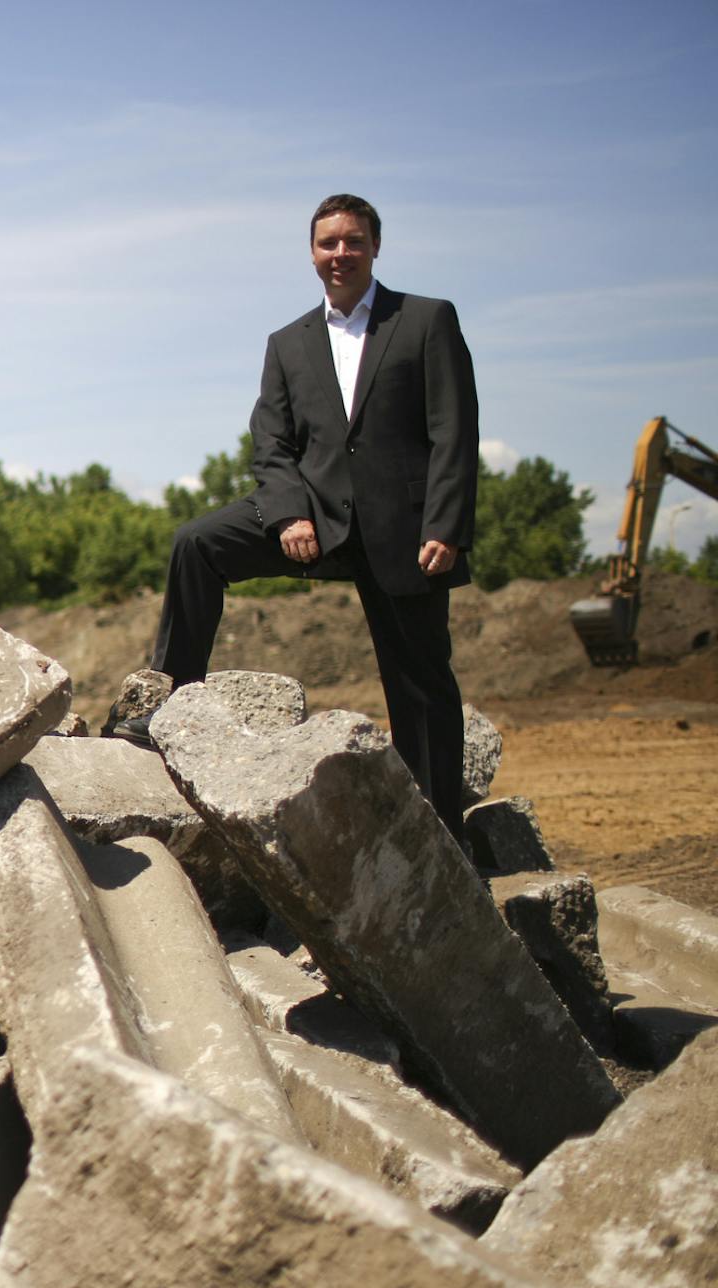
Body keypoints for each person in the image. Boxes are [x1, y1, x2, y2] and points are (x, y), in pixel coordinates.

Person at [113, 193, 479, 832]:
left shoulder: (425, 320)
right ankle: (169, 704)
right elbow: (272, 443)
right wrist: (287, 516)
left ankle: (443, 837)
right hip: (310, 515)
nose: (341, 253)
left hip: (402, 529)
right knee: (197, 544)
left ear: (374, 247)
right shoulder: (287, 343)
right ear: (312, 253)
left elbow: (455, 430)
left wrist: (444, 526)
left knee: (422, 687)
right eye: (328, 243)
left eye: (353, 241)